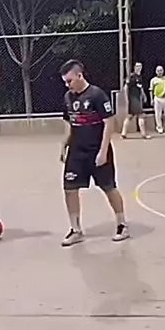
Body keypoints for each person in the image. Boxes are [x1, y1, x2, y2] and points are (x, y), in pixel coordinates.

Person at [59, 59, 130, 247]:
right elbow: (69, 122)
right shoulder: (68, 97)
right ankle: (76, 230)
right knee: (69, 189)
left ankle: (122, 224)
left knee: (108, 187)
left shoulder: (97, 95)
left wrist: (103, 151)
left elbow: (109, 123)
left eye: (69, 80)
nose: (67, 85)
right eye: (65, 82)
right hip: (77, 152)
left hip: (96, 150)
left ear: (79, 75)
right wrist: (64, 145)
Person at [121, 61, 151, 139]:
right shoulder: (132, 77)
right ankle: (144, 134)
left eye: (140, 66)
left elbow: (140, 88)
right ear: (134, 67)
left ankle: (123, 132)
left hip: (138, 98)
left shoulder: (140, 77)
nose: (138, 68)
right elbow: (126, 87)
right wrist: (126, 98)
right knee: (141, 115)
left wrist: (144, 95)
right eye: (137, 66)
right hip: (133, 99)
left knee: (130, 116)